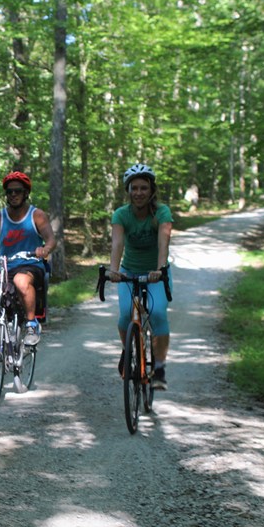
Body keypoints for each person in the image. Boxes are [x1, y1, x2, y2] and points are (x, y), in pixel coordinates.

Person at [0, 170, 56, 346]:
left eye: (18, 191)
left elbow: (51, 239)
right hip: (5, 268)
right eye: (9, 191)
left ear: (26, 193)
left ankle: (31, 324)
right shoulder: (0, 216)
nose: (13, 194)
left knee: (21, 281)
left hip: (30, 264)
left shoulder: (36, 215)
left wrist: (45, 249)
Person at [107, 163, 173, 389]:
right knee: (126, 313)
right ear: (128, 190)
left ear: (152, 190)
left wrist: (160, 269)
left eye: (143, 188)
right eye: (134, 188)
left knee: (156, 312)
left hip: (156, 273)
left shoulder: (162, 212)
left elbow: (163, 243)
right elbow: (117, 243)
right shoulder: (121, 214)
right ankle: (128, 352)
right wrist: (114, 270)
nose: (138, 193)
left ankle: (160, 368)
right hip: (129, 272)